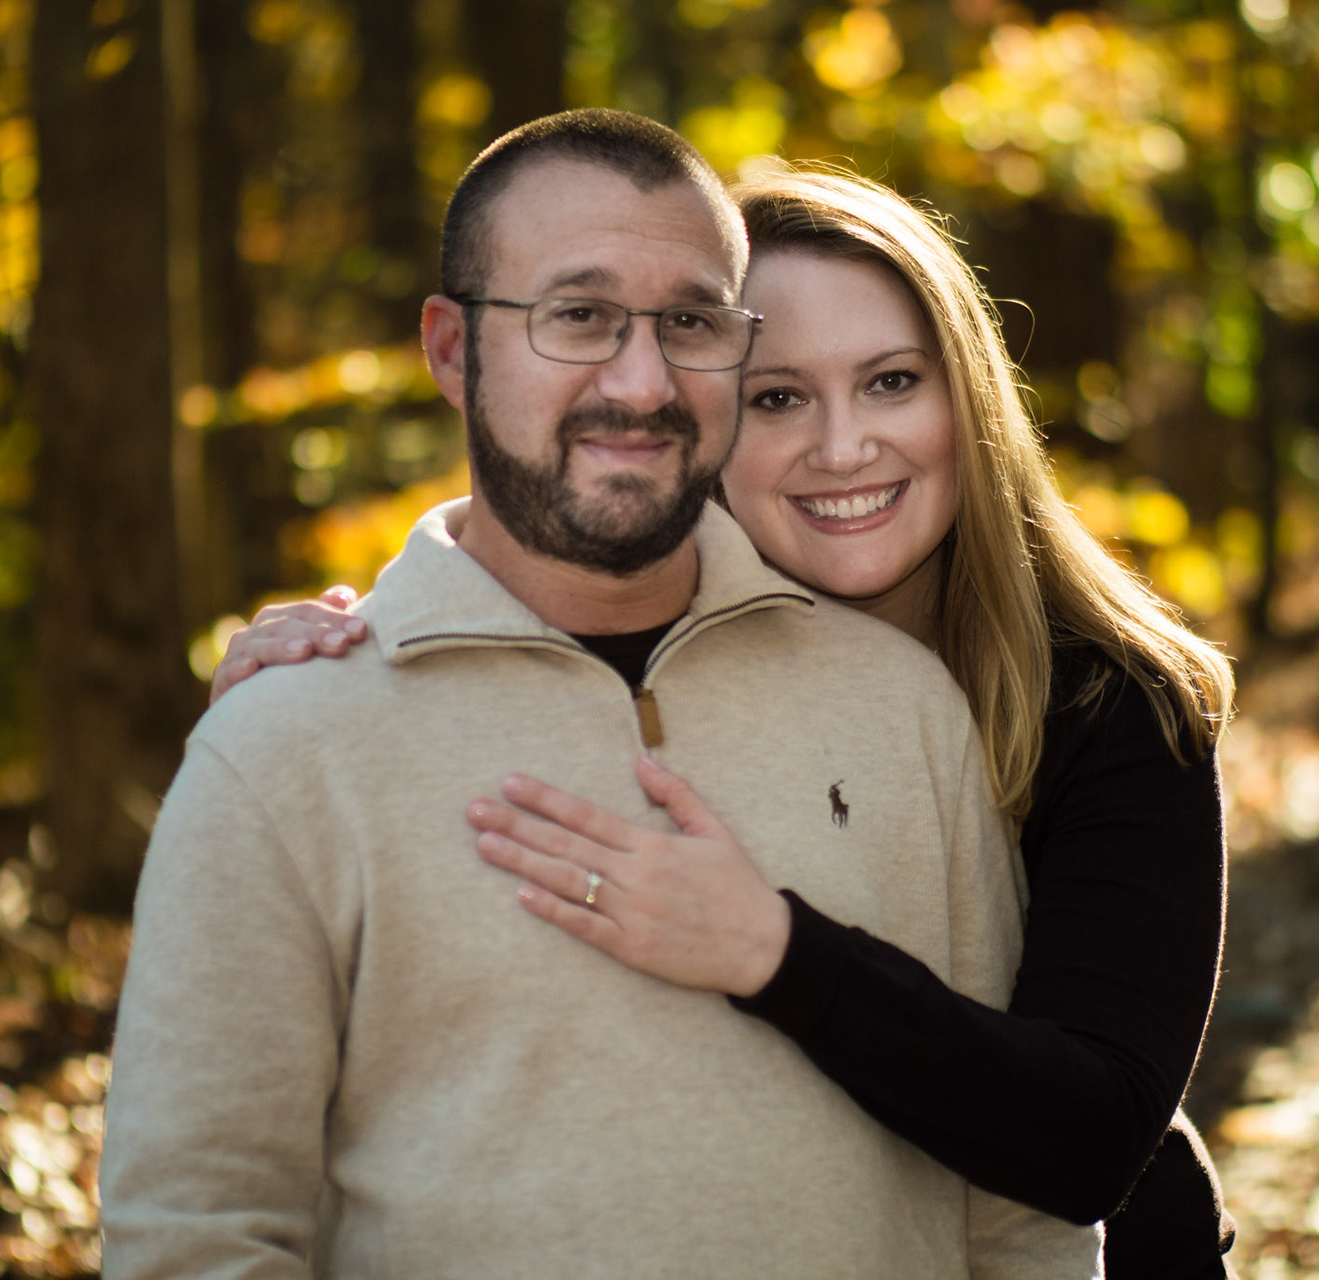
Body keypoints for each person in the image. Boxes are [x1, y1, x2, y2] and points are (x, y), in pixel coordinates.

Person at [99, 110, 1096, 1279]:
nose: (642, 381)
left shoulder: (903, 704)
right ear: (452, 349)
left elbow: (1020, 1216)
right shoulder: (283, 745)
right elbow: (195, 1236)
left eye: (692, 322)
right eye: (578, 316)